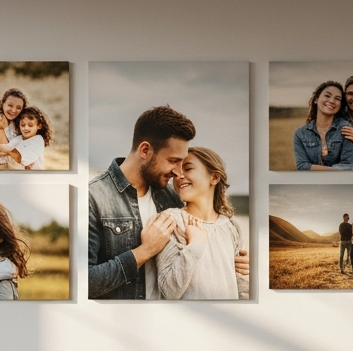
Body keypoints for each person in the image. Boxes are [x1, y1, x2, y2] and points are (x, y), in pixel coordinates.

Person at [89, 106, 249, 300]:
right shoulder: (94, 197)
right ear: (145, 150)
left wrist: (240, 265)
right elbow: (83, 282)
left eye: (183, 163)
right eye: (173, 161)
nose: (178, 173)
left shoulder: (172, 196)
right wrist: (145, 251)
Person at [154, 148, 249, 300]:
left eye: (188, 168)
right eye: (176, 172)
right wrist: (195, 246)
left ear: (214, 177)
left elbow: (240, 284)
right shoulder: (171, 221)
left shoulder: (231, 227)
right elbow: (169, 291)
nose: (180, 176)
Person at [293, 81, 353, 170]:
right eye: (327, 95)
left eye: (337, 98)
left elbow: (347, 165)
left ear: (340, 105)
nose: (331, 101)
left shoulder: (346, 129)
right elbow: (302, 166)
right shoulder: (300, 133)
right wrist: (333, 171)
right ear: (316, 99)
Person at [0, 105, 51, 170]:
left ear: (39, 126)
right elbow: (8, 152)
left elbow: (20, 158)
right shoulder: (19, 139)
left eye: (30, 125)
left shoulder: (38, 140)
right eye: (23, 125)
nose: (26, 128)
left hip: (36, 177)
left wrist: (5, 150)